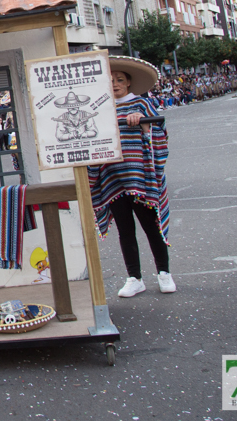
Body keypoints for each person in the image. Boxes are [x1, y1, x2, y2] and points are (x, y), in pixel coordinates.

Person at [87, 56, 175, 298]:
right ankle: (134, 277)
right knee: (125, 231)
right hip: (113, 178)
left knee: (151, 227)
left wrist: (144, 127)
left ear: (128, 83)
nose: (115, 83)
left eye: (120, 79)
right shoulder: (99, 109)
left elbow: (159, 137)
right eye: (111, 80)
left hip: (140, 178)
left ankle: (164, 273)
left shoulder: (142, 105)